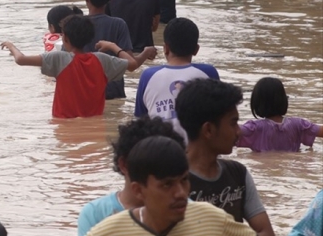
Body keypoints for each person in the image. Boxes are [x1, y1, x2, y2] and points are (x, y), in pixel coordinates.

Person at [85, 136, 256, 236]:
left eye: (184, 180)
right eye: (167, 185)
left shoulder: (213, 219)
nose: (181, 193)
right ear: (138, 191)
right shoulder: (107, 233)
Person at [175, 79, 275, 236]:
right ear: (208, 130)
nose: (239, 131)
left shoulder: (238, 174)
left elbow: (265, 231)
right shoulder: (171, 181)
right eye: (233, 123)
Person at [1, 15, 150, 119]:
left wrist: (11, 46)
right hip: (95, 124)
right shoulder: (102, 60)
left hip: (63, 125)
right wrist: (114, 46)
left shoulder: (59, 58)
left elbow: (20, 60)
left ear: (65, 38)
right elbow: (133, 64)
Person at [77, 116, 187, 236]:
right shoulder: (96, 214)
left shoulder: (191, 211)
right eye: (167, 184)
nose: (180, 193)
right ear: (124, 164)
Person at [135, 18, 218, 142]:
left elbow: (140, 121)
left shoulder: (148, 76)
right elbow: (218, 117)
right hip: (197, 152)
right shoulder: (208, 73)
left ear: (166, 48)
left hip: (158, 151)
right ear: (196, 49)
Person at [83, 0, 156, 100]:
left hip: (84, 90)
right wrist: (146, 53)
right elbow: (131, 65)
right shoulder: (118, 24)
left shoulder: (75, 24)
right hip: (112, 91)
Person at [237, 77, 322, 152]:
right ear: (283, 99)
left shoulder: (254, 128)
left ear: (256, 102)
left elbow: (230, 132)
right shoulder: (299, 125)